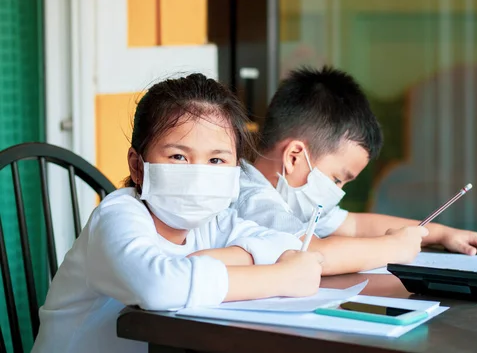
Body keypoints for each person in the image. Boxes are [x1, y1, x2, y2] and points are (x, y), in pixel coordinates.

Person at [32, 73, 323, 353]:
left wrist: (211, 258)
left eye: (216, 160)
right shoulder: (116, 216)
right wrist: (282, 277)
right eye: (178, 157)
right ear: (137, 166)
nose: (199, 175)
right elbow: (157, 287)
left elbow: (288, 245)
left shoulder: (213, 221)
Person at [233, 66, 477, 275]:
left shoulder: (292, 195)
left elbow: (355, 226)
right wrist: (395, 248)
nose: (338, 191)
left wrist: (441, 233)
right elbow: (312, 254)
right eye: (337, 179)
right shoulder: (250, 198)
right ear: (294, 155)